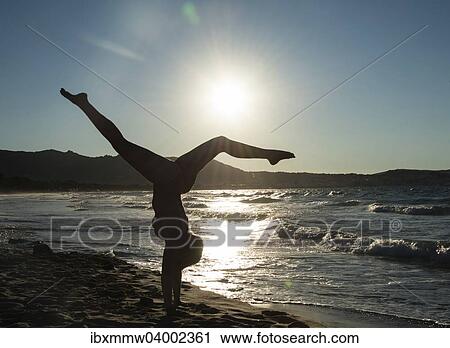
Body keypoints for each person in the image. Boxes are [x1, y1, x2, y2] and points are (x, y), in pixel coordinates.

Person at [60, 88, 295, 314]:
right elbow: (168, 272)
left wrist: (173, 304)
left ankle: (269, 155)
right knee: (123, 144)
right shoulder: (176, 233)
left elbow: (170, 271)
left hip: (175, 179)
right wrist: (171, 305)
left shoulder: (177, 236)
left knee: (218, 142)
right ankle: (84, 104)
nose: (197, 237)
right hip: (170, 179)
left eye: (195, 242)